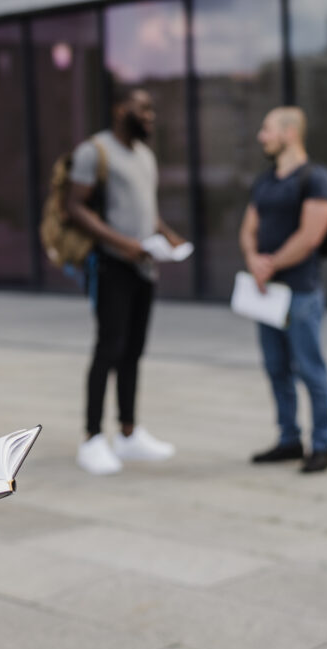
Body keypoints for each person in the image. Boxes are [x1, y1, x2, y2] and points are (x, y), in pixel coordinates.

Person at [67, 87, 188, 476]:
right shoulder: (94, 151)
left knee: (134, 350)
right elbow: (75, 206)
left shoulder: (145, 156)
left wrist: (167, 236)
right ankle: (91, 438)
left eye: (153, 109)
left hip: (144, 267)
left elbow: (145, 211)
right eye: (143, 109)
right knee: (108, 348)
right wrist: (123, 244)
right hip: (111, 266)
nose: (151, 115)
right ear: (121, 110)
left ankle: (129, 433)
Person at [239, 106, 327, 474]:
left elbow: (311, 236)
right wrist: (253, 259)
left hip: (300, 293)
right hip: (266, 294)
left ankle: (322, 444)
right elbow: (248, 228)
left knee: (311, 370)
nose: (262, 137)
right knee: (276, 369)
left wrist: (271, 263)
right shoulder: (265, 181)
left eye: (267, 129)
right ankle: (289, 439)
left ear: (290, 132)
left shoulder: (316, 178)